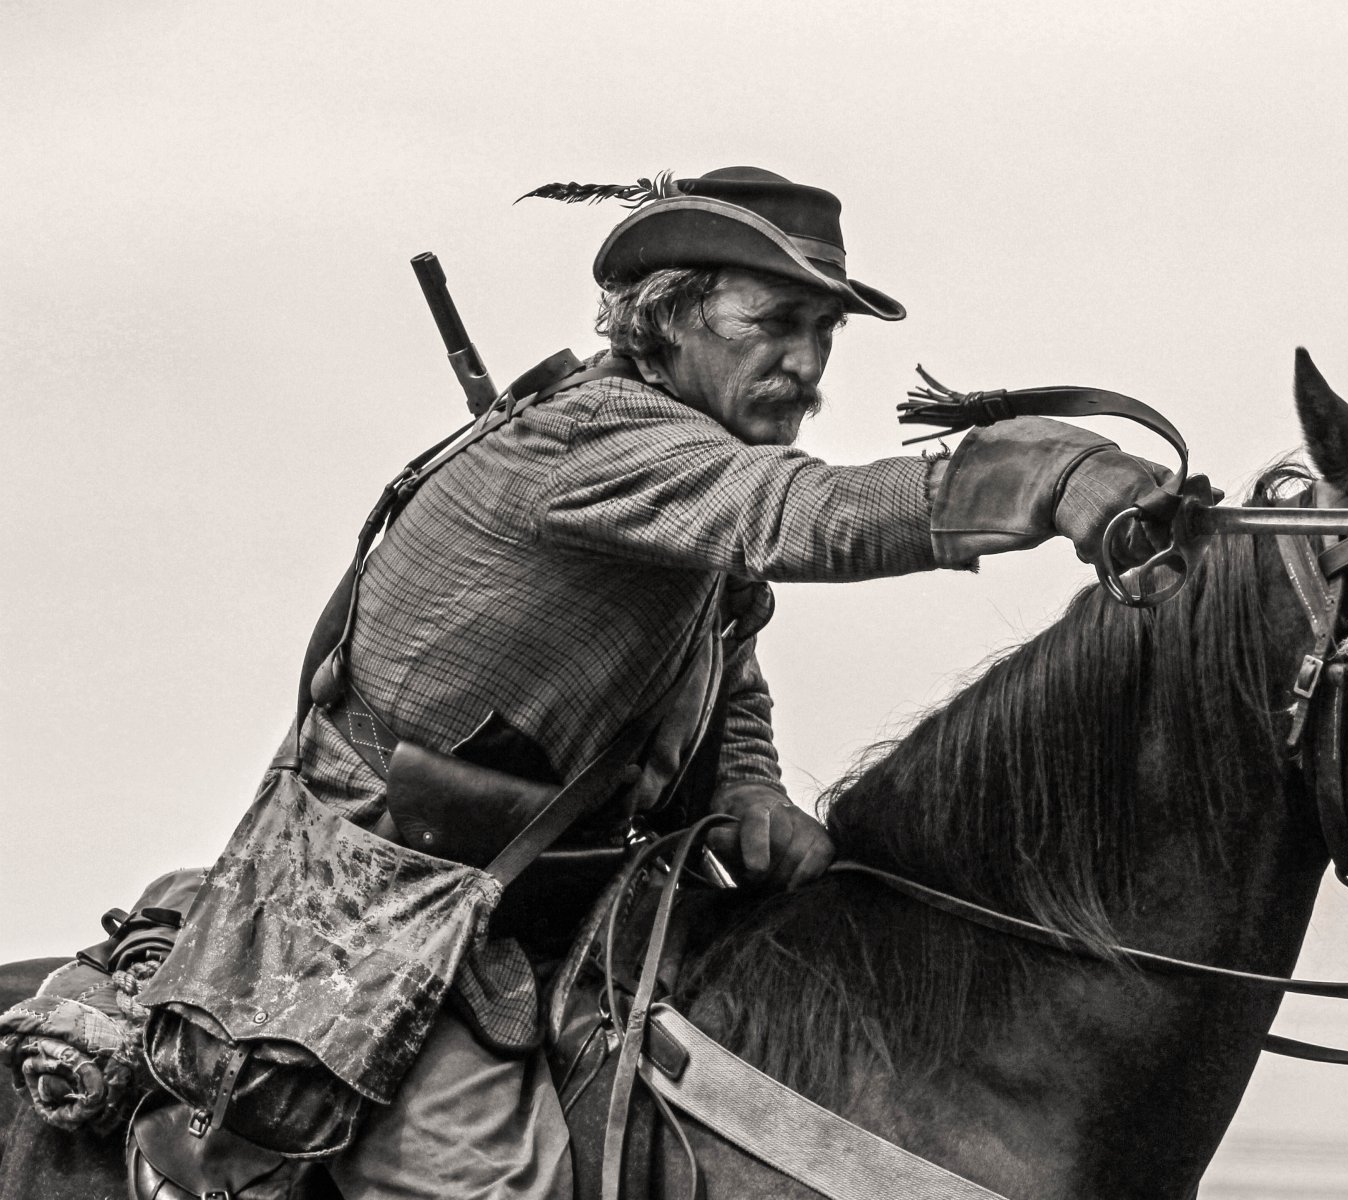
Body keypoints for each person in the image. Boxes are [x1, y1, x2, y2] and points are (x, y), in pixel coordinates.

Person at [284, 166, 1171, 1198]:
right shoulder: (595, 436)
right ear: (666, 319)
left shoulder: (686, 476)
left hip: (579, 910)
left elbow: (726, 655)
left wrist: (748, 788)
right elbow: (808, 517)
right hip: (390, 918)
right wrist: (1046, 475)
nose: (807, 366)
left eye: (825, 333)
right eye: (775, 324)